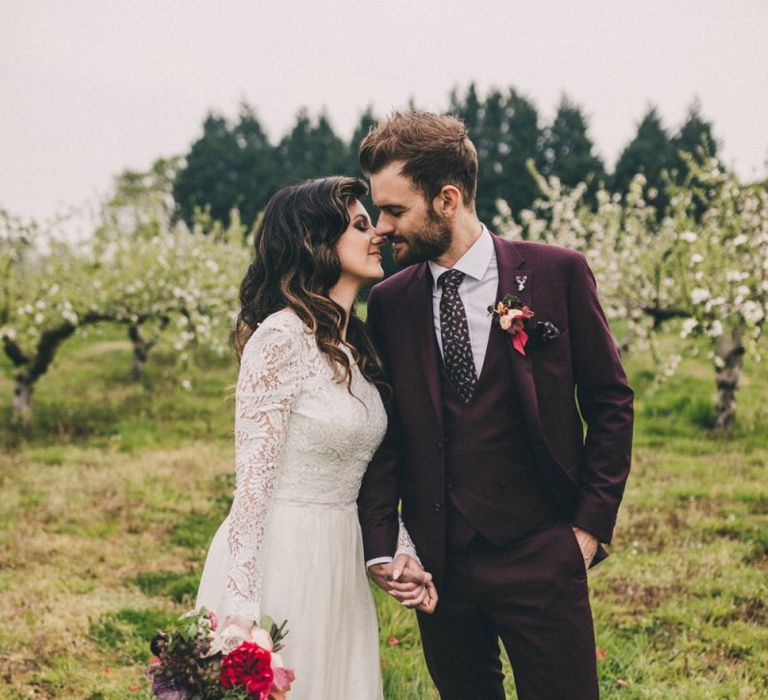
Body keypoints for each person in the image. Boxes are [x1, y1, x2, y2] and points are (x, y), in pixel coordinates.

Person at [357, 112, 634, 700]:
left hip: (544, 548)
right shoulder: (389, 302)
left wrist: (587, 528)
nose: (380, 228)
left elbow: (611, 400)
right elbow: (387, 432)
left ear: (448, 199)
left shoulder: (558, 272)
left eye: (394, 210)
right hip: (440, 562)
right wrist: (386, 542)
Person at [195, 176, 436, 700]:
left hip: (340, 556)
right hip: (285, 554)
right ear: (317, 242)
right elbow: (252, 488)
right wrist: (240, 607)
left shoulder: (357, 347)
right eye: (359, 225)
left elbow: (363, 467)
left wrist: (398, 549)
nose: (378, 235)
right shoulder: (279, 339)